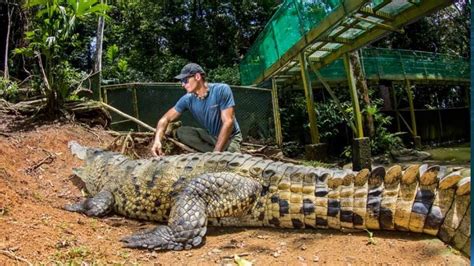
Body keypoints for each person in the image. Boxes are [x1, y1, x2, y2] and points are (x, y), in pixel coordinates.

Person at [151, 63, 242, 156]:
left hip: (231, 137)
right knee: (182, 132)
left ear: (197, 77)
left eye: (185, 80)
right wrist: (157, 140)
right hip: (211, 136)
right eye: (181, 81)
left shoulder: (221, 90)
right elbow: (165, 119)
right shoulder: (187, 99)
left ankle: (216, 152)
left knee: (230, 156)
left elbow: (228, 122)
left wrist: (216, 153)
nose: (183, 84)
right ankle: (215, 152)